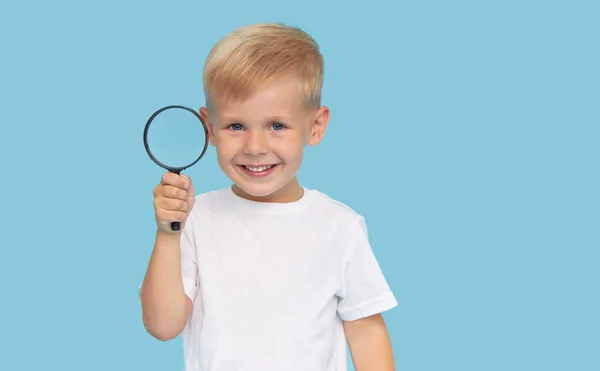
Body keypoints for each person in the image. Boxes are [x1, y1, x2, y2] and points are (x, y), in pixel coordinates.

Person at [140, 22, 398, 371]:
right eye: (236, 126)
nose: (255, 147)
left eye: (276, 125)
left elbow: (367, 334)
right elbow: (163, 326)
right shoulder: (195, 218)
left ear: (316, 127)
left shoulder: (340, 227)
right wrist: (168, 234)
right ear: (209, 127)